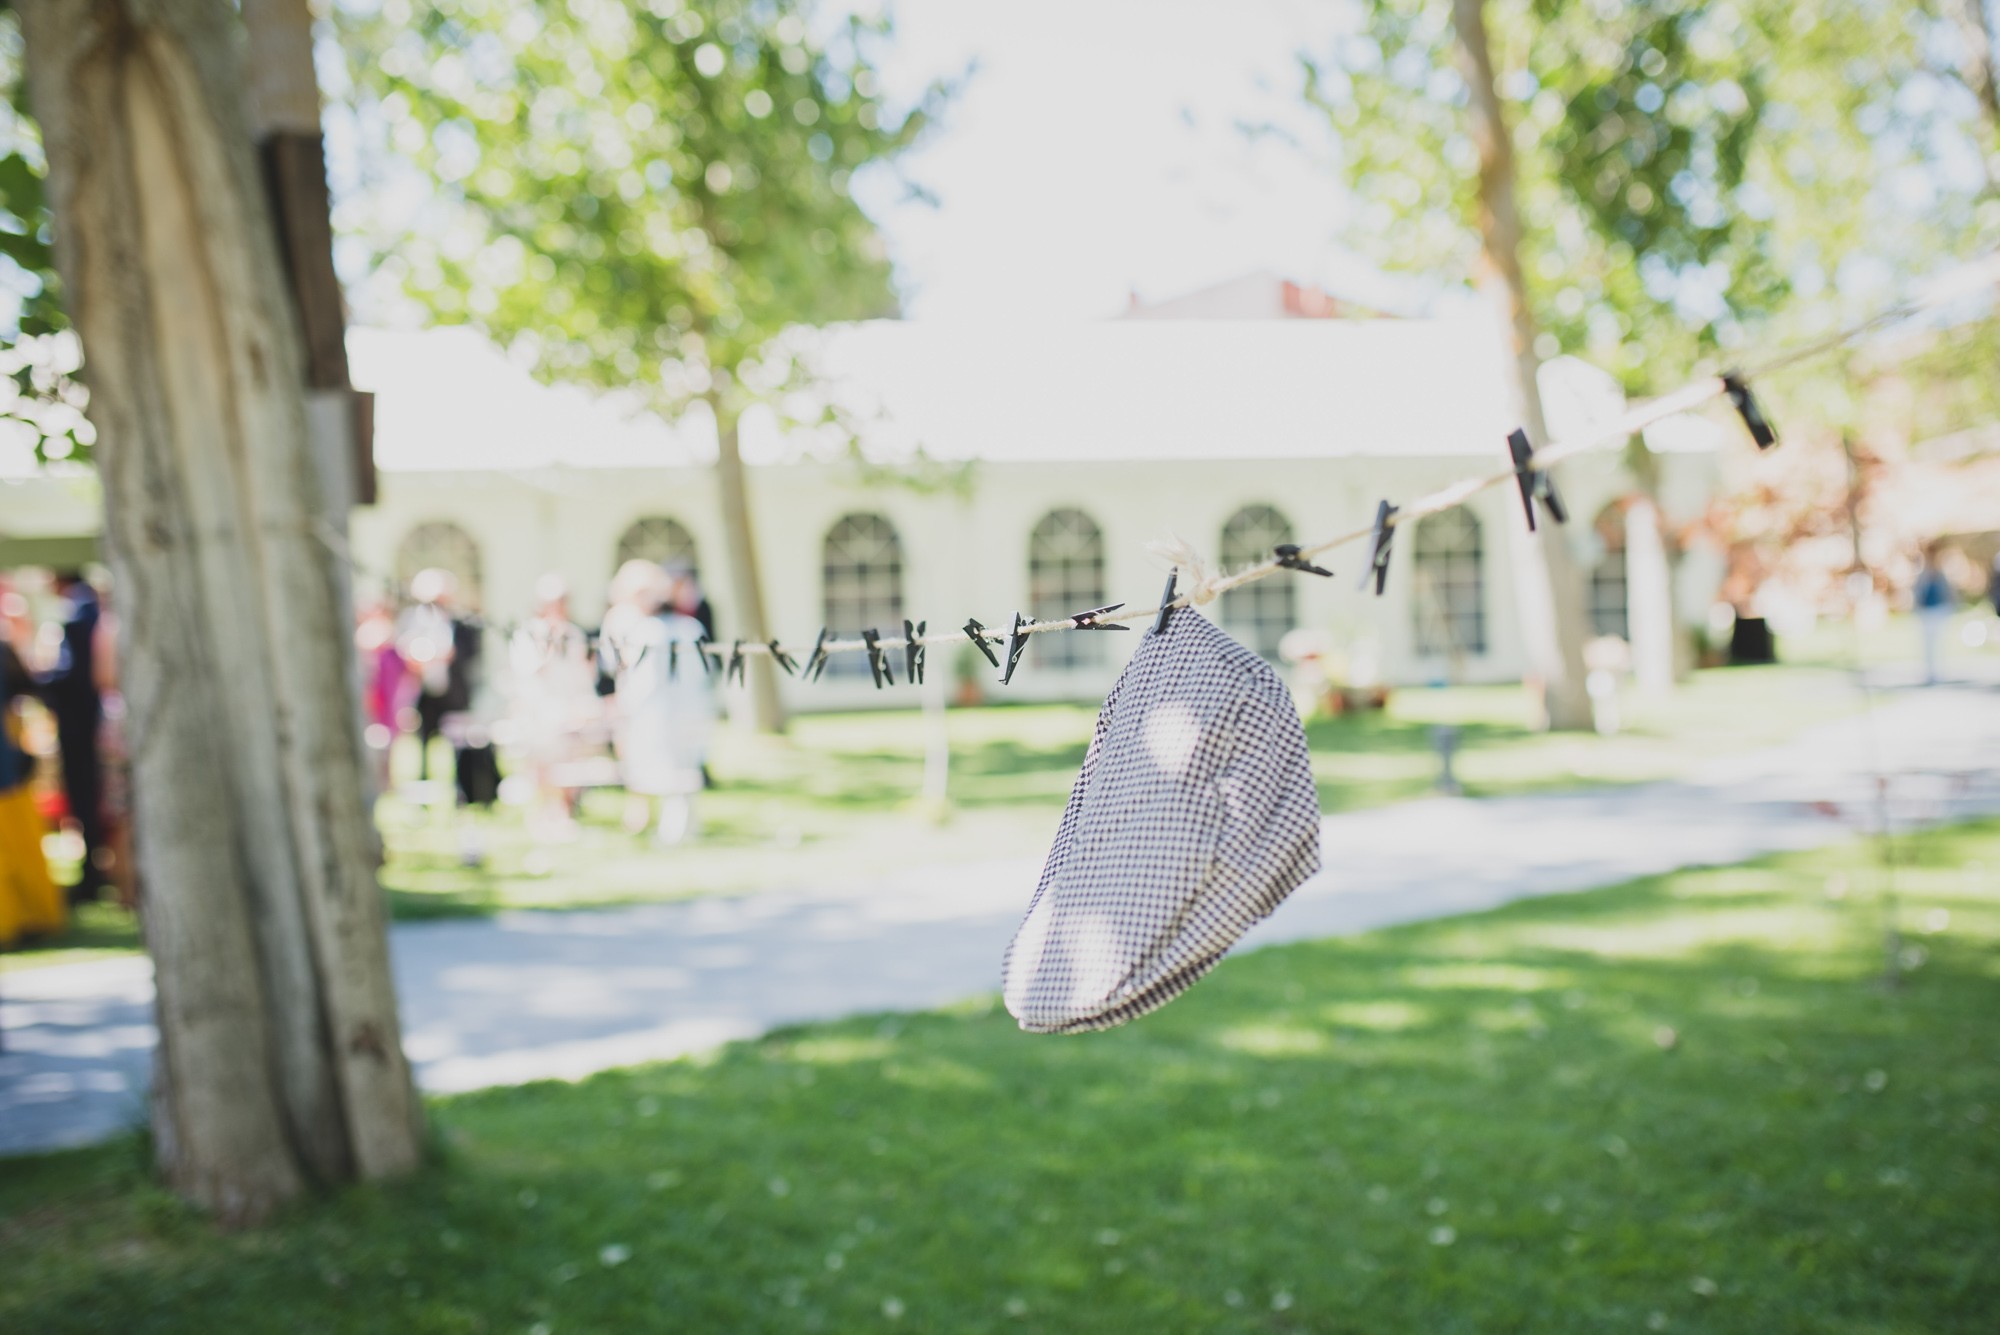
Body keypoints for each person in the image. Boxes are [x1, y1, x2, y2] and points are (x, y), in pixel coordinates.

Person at [602, 560, 714, 845]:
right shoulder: (685, 629)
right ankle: (673, 826)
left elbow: (643, 681)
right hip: (674, 711)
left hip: (665, 712)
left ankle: (677, 829)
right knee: (672, 770)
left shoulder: (663, 631)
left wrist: (628, 706)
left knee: (676, 771)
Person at [508, 574, 599, 837]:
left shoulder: (574, 633)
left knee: (569, 763)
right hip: (539, 708)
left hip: (569, 707)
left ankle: (565, 811)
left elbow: (583, 675)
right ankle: (545, 812)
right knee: (542, 762)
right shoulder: (527, 633)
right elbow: (529, 673)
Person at [36, 571, 105, 903]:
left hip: (83, 729)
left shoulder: (77, 615)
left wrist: (38, 683)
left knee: (88, 796)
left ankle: (92, 874)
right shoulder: (91, 610)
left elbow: (70, 677)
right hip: (94, 725)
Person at [1, 592, 64, 946]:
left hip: (7, 758)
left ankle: (24, 916)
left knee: (17, 840)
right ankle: (27, 915)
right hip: (8, 754)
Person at [397, 569, 481, 785]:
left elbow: (470, 652)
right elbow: (402, 649)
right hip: (424, 691)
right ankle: (422, 788)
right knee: (422, 743)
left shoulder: (462, 620)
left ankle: (461, 790)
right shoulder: (413, 619)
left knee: (459, 743)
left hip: (453, 692)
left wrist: (449, 655)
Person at [1914, 544, 1954, 686]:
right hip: (1926, 612)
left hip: (1939, 610)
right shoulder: (1922, 573)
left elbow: (1948, 592)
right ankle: (1929, 672)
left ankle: (1940, 671)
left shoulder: (1941, 572)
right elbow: (1917, 592)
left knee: (1940, 642)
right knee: (1927, 643)